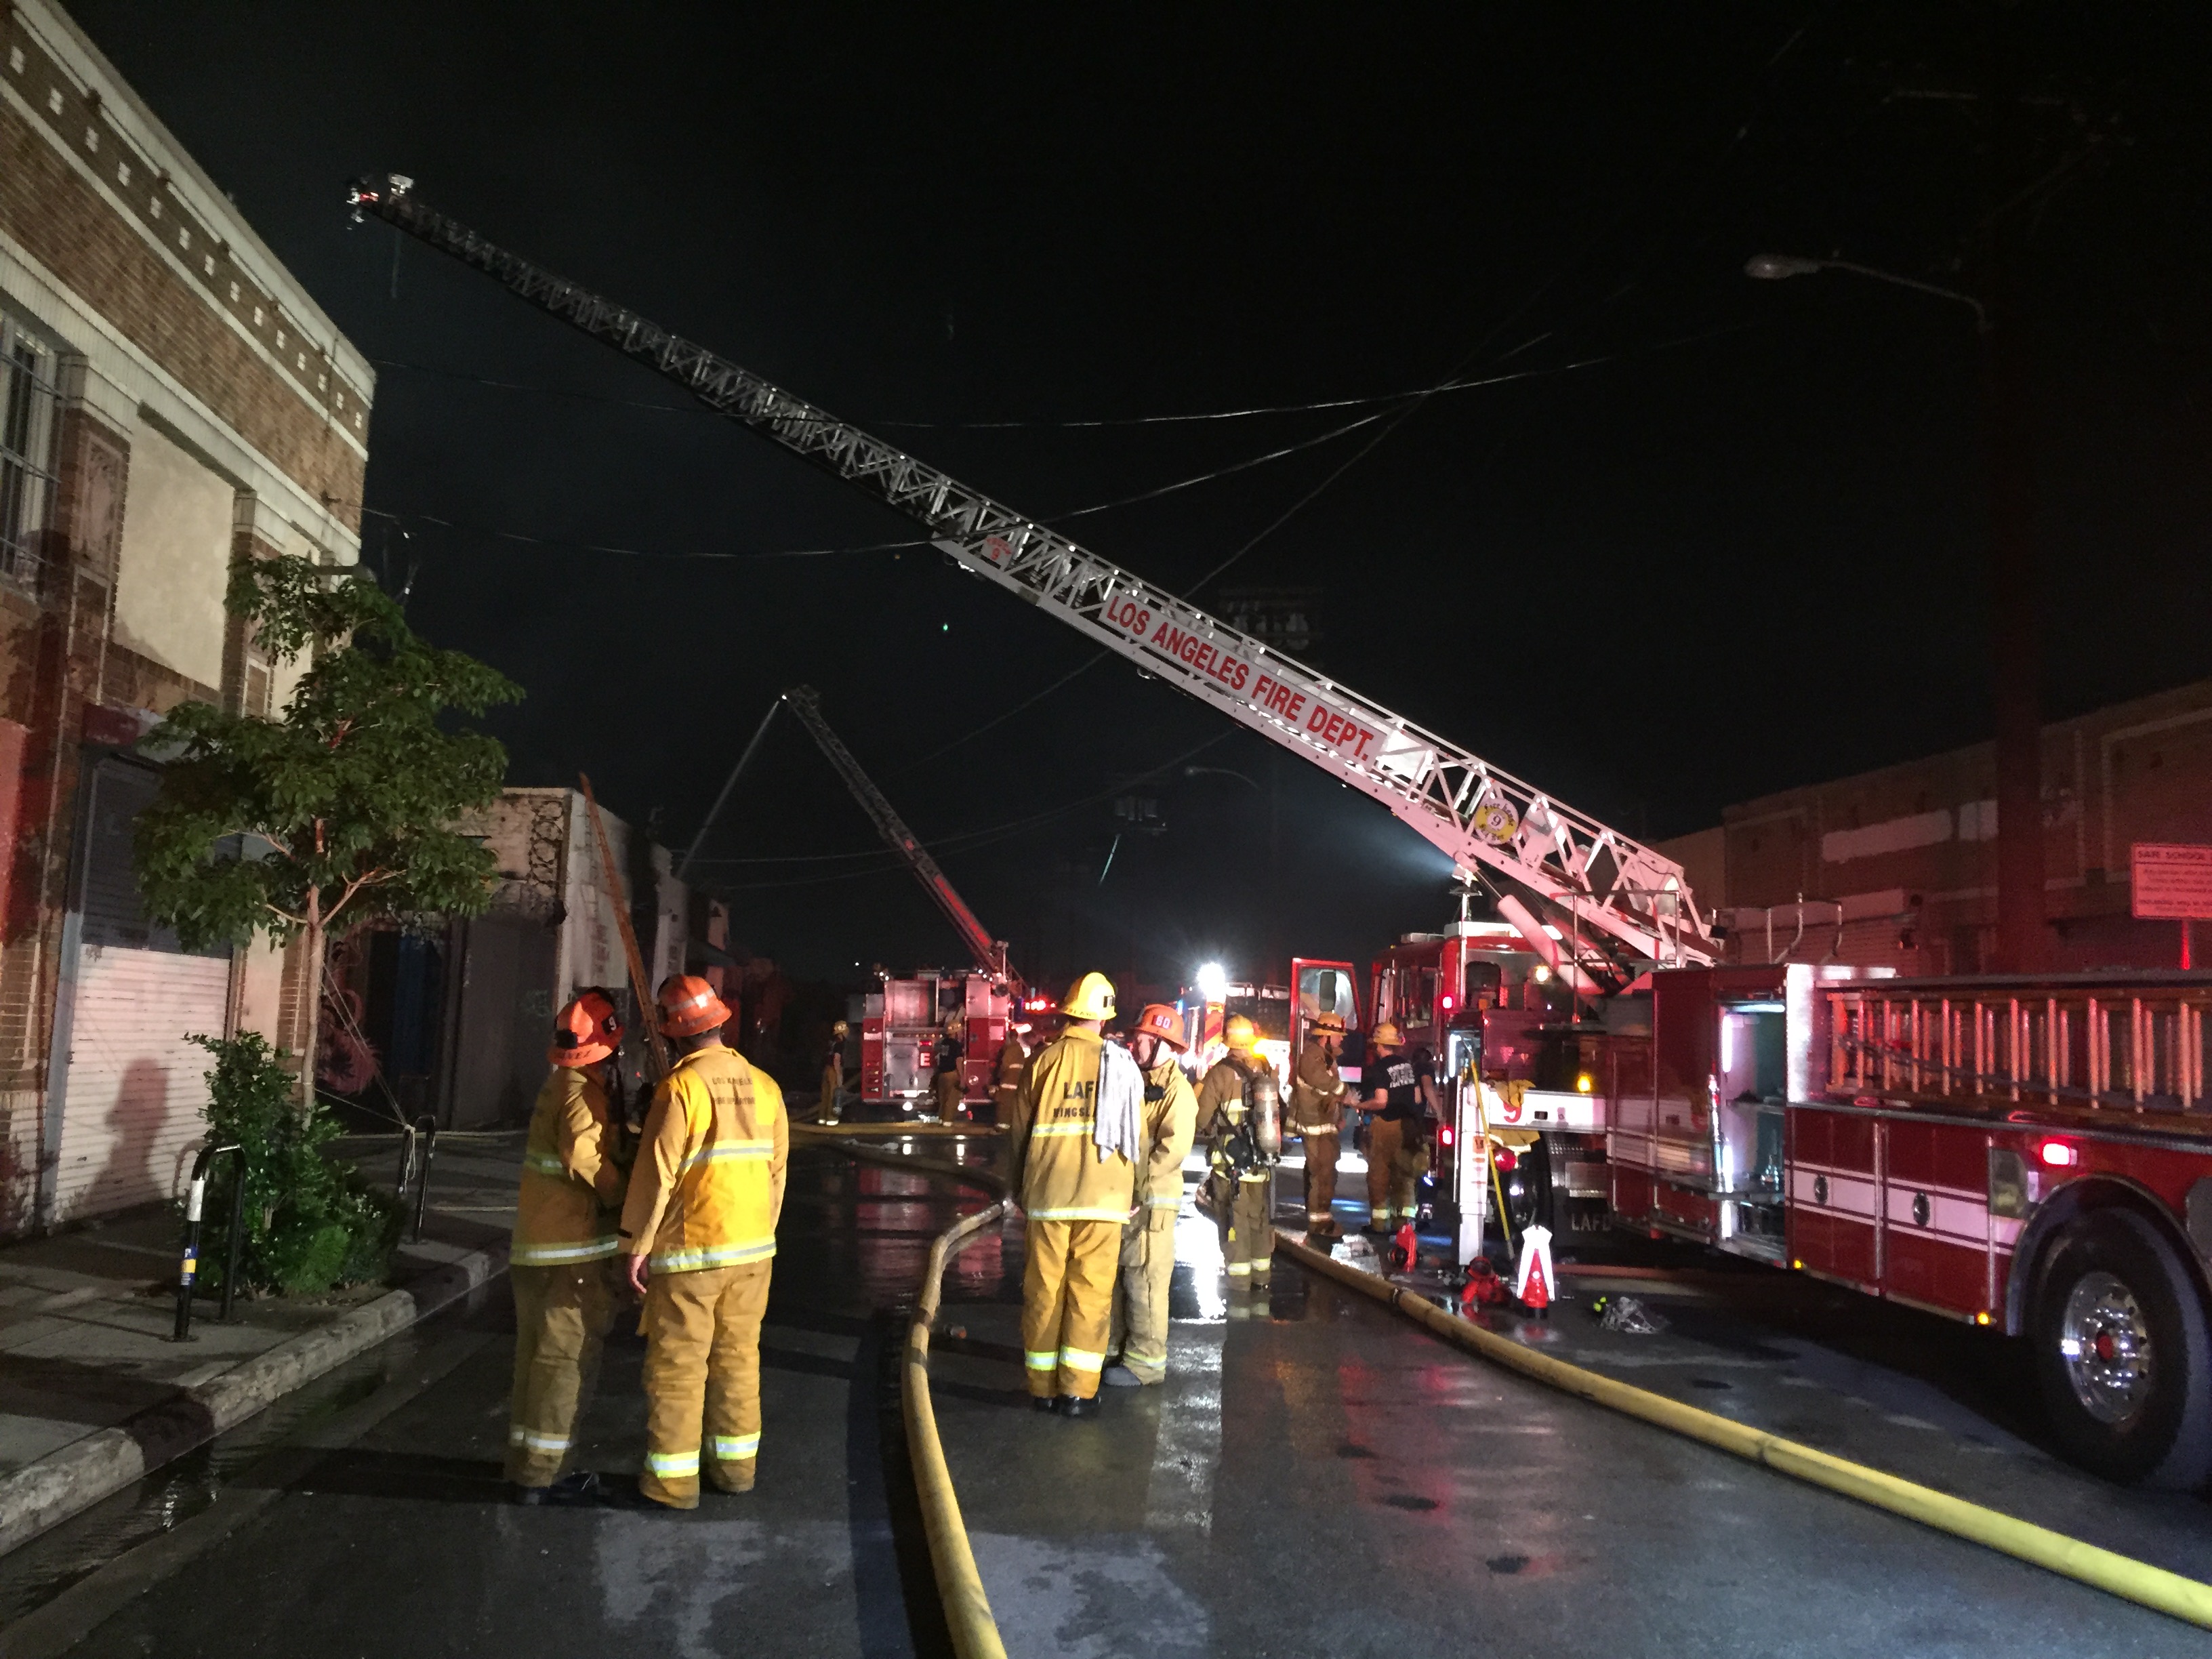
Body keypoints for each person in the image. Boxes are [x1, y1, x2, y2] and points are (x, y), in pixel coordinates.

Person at [619, 975, 789, 1508]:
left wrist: (636, 1246)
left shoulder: (681, 1088)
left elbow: (656, 1175)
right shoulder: (765, 1086)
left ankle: (673, 1484)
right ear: (719, 1022)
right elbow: (776, 1175)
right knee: (739, 1359)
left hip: (692, 1253)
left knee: (679, 1366)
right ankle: (736, 1471)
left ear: (673, 1035)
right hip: (753, 1251)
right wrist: (762, 1233)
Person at [506, 988, 630, 1504]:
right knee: (564, 1361)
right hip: (570, 1255)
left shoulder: (560, 1083)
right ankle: (546, 1475)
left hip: (537, 1247)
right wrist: (621, 1194)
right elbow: (582, 1152)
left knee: (534, 1360)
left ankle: (525, 1464)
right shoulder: (582, 1090)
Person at [1007, 971, 1139, 1418]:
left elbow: (1019, 1133)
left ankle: (1041, 1387)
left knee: (1044, 1289)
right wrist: (1134, 1191)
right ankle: (1079, 1393)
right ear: (1104, 1017)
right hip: (1105, 1199)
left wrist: (1018, 1188)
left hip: (1049, 1193)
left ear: (1068, 1012)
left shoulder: (1043, 1062)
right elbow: (1133, 1137)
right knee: (1092, 1293)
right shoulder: (1122, 1063)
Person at [1103, 1004, 1198, 1388]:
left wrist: (1138, 1185)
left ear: (1163, 1044)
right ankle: (1116, 1351)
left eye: (1143, 1038)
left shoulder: (1178, 1091)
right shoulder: (1137, 1081)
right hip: (1129, 1200)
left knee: (1145, 1283)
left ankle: (1145, 1365)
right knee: (1120, 1278)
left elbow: (1172, 1148)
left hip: (1152, 1202)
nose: (1135, 1043)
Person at [1194, 1015, 1281, 1294]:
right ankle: (1262, 1280)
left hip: (1230, 1165)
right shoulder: (1264, 1068)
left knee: (1234, 1226)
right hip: (1262, 1163)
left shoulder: (1220, 1073)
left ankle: (1240, 1287)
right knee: (1259, 1223)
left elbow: (1200, 1118)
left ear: (1227, 1040)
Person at [1356, 1020, 1439, 1234]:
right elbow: (1417, 1097)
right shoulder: (1408, 1066)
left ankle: (1378, 1225)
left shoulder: (1380, 1068)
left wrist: (1357, 1104)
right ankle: (1403, 1227)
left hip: (1386, 1126)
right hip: (1408, 1126)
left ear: (1379, 1046)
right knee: (1405, 1176)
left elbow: (1381, 1102)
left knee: (1379, 1175)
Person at [1289, 1012, 1348, 1239]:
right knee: (1320, 1173)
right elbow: (1320, 1081)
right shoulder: (1313, 1056)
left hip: (1325, 1124)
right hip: (1314, 1124)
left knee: (1326, 1172)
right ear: (1327, 1034)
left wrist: (1340, 1114)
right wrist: (1344, 1091)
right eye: (1338, 1034)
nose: (1341, 1039)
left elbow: (1330, 1089)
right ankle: (1318, 1224)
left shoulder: (1327, 1057)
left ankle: (1322, 1217)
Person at [933, 1015, 966, 1121]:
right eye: (960, 1031)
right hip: (952, 1075)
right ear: (956, 1032)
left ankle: (942, 1120)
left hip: (941, 1075)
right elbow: (958, 1061)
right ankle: (947, 1123)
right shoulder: (956, 1045)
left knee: (943, 1099)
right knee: (952, 1100)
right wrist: (962, 1078)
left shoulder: (943, 1043)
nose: (961, 1033)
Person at [820, 1020, 848, 1123]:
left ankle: (822, 1118)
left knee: (825, 1094)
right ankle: (832, 1119)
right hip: (833, 1070)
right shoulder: (840, 1043)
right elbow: (837, 1059)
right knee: (834, 1094)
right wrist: (839, 1076)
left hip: (826, 1069)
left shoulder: (832, 1042)